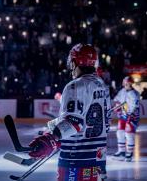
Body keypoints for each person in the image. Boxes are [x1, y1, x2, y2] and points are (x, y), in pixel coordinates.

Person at [29, 43, 111, 181]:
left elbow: (74, 122)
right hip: (98, 160)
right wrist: (57, 132)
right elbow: (105, 125)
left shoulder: (75, 85)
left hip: (75, 161)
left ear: (75, 62)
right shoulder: (102, 85)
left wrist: (52, 138)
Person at [113, 76, 140, 162]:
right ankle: (121, 152)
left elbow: (135, 106)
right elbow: (117, 99)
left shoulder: (134, 93)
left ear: (131, 83)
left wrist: (130, 115)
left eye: (128, 83)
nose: (126, 84)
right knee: (120, 132)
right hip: (123, 115)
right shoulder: (122, 91)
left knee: (129, 134)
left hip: (131, 117)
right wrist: (117, 106)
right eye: (125, 82)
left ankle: (129, 153)